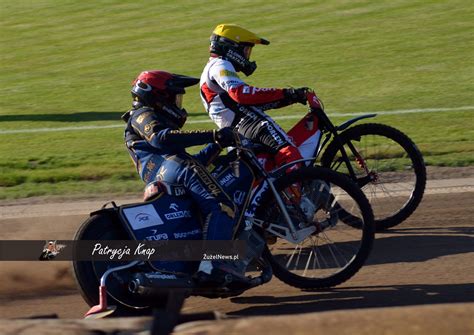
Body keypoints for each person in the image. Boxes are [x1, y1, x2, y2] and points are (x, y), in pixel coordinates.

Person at [122, 70, 245, 284]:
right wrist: (213, 134)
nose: (178, 104)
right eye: (175, 97)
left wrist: (217, 145)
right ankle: (213, 266)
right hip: (175, 170)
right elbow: (160, 139)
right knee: (223, 206)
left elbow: (189, 160)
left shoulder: (155, 129)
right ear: (159, 97)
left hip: (166, 175)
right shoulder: (143, 113)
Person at [200, 23, 309, 174]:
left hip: (237, 131)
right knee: (290, 153)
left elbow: (250, 101)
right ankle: (299, 196)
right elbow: (241, 94)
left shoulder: (213, 67)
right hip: (249, 124)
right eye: (246, 50)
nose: (247, 56)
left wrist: (288, 97)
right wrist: (285, 93)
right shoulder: (220, 65)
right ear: (232, 48)